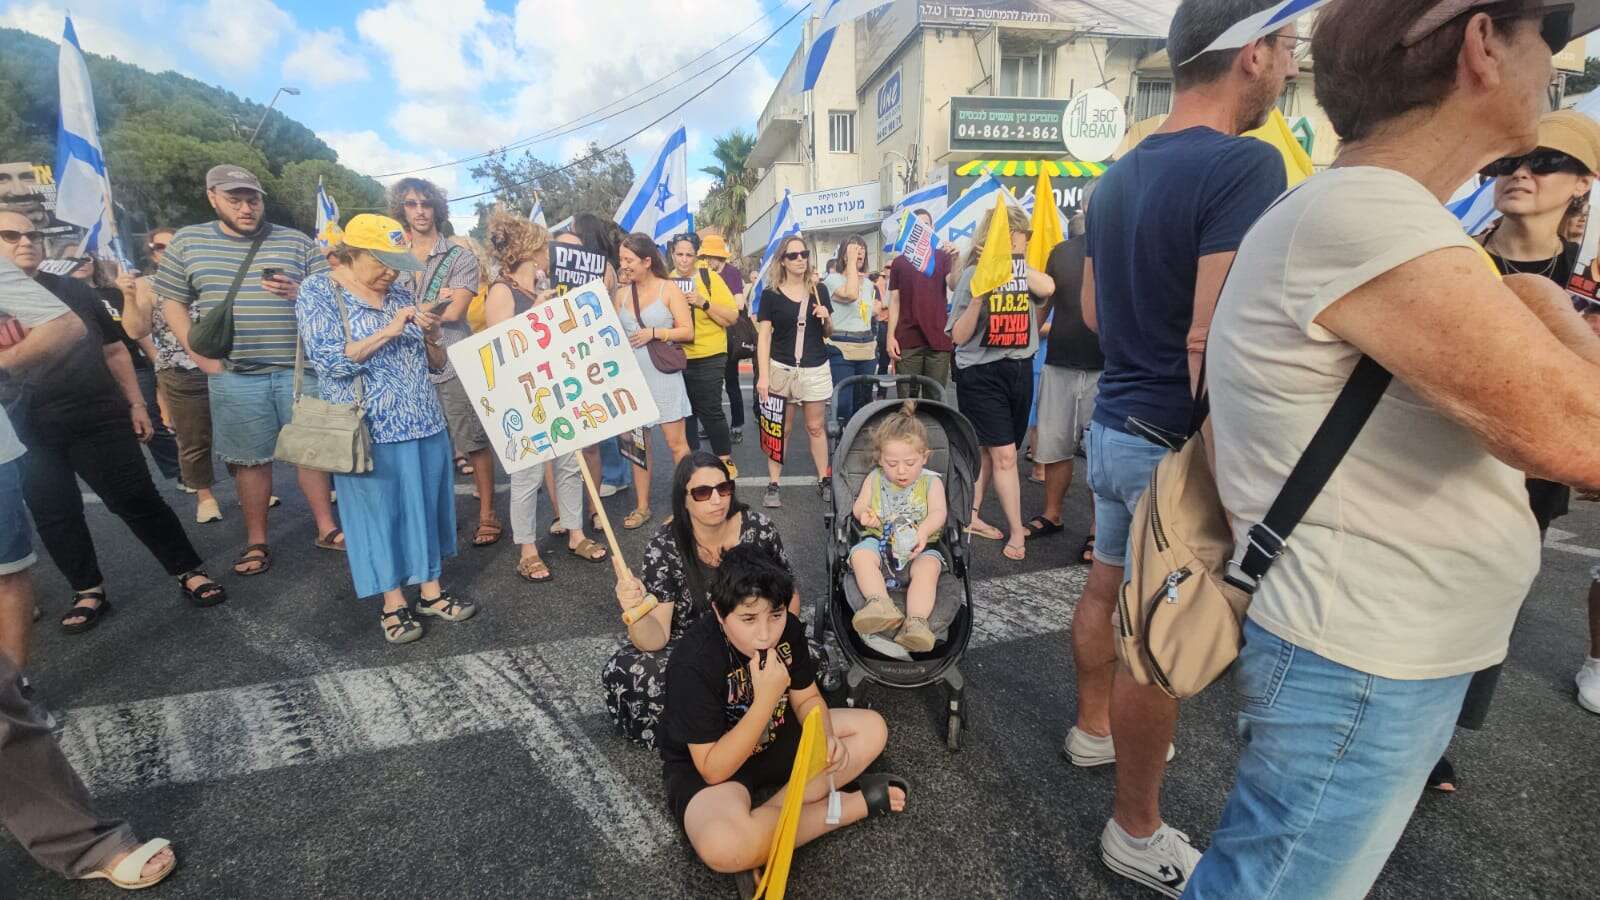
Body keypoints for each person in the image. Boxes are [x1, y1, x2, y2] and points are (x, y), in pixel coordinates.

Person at [1186, 2, 1600, 896]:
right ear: (1483, 45)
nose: (1555, 67)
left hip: (1369, 649)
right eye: (1547, 41)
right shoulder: (1371, 216)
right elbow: (1582, 433)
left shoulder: (1369, 211)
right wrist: (1550, 311)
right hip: (1363, 659)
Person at [1075, 1, 1297, 893]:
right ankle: (1136, 830)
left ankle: (1091, 731)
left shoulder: (1116, 177)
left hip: (1112, 423)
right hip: (1176, 440)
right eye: (1285, 51)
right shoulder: (1246, 163)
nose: (1287, 70)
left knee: (1105, 586)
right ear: (1250, 56)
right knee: (1157, 643)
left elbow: (1092, 313)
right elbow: (1214, 337)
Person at [1430, 109, 1600, 789]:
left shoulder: (1588, 278)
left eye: (1545, 162)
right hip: (1438, 458)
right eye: (1507, 162)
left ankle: (1435, 733)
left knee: (1489, 608)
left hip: (1534, 475)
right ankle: (1412, 742)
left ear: (1583, 181)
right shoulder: (1451, 250)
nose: (1520, 174)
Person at [0, 211, 225, 632]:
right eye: (10, 235)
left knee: (137, 498)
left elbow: (115, 351)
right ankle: (88, 590)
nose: (26, 242)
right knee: (55, 513)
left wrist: (138, 405)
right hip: (21, 428)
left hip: (95, 415)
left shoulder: (73, 291)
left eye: (32, 234)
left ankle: (189, 570)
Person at [658, 543, 907, 881]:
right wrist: (765, 699)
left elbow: (807, 698)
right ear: (719, 613)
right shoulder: (693, 662)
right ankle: (848, 808)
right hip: (716, 763)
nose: (765, 633)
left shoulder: (787, 629)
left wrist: (825, 735)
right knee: (723, 845)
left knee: (872, 728)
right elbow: (713, 769)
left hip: (775, 739)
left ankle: (769, 824)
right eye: (748, 618)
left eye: (774, 615)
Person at [154, 164, 343, 578]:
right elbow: (171, 301)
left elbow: (331, 297)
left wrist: (300, 291)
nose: (246, 207)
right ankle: (257, 539)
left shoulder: (296, 242)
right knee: (250, 461)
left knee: (311, 454)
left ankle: (326, 528)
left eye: (252, 199)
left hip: (300, 369)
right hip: (236, 373)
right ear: (212, 197)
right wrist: (200, 356)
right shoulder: (189, 242)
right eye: (235, 198)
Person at [296, 214, 473, 645]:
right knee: (378, 516)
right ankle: (393, 602)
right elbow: (330, 362)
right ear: (352, 254)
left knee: (427, 508)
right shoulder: (319, 290)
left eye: (397, 263)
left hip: (423, 420)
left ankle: (430, 590)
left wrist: (432, 336)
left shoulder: (399, 291)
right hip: (369, 426)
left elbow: (436, 366)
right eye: (383, 263)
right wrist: (390, 330)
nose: (392, 273)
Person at [604, 453, 795, 746]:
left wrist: (771, 641)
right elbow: (656, 639)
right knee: (627, 669)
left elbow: (787, 596)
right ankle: (736, 723)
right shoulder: (665, 545)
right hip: (693, 648)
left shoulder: (759, 529)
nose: (716, 500)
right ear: (684, 499)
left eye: (724, 488)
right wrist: (635, 610)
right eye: (703, 492)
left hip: (755, 638)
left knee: (807, 654)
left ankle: (719, 724)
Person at [483, 212, 608, 581]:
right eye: (545, 247)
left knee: (571, 464)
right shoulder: (502, 291)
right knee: (528, 476)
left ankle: (575, 533)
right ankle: (528, 549)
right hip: (522, 398)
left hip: (557, 390)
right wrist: (534, 315)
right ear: (530, 250)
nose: (550, 254)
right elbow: (498, 349)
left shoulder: (542, 285)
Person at [392, 179, 499, 549]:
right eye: (411, 204)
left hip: (452, 359)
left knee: (472, 438)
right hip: (404, 362)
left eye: (425, 203)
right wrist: (431, 302)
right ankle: (436, 517)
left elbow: (454, 312)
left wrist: (415, 310)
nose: (419, 211)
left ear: (437, 208)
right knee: (423, 442)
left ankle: (487, 512)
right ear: (401, 209)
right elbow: (380, 307)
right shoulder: (390, 256)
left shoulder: (460, 257)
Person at [947, 205, 1053, 563]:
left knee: (990, 450)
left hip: (1019, 368)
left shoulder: (1022, 273)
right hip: (980, 371)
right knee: (1005, 454)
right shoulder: (972, 275)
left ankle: (971, 514)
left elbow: (1049, 286)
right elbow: (959, 336)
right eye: (1017, 238)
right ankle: (1017, 530)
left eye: (1024, 241)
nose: (1022, 245)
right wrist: (979, 294)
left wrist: (1011, 263)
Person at [121, 227, 222, 525]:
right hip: (180, 371)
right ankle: (205, 496)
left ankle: (249, 487)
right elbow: (136, 330)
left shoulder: (206, 280)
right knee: (193, 438)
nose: (168, 251)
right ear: (152, 253)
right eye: (160, 247)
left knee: (235, 431)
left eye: (175, 245)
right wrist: (127, 296)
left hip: (221, 366)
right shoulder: (148, 284)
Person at [1027, 217, 1104, 564]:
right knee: (1056, 445)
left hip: (1106, 367)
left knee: (1100, 456)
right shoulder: (1060, 252)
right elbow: (1045, 304)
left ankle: (1098, 530)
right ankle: (1053, 514)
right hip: (1059, 363)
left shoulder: (1119, 244)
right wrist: (1026, 338)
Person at [71, 258, 182, 486]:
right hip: (92, 374)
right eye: (72, 259)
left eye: (85, 258)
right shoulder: (61, 300)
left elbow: (138, 332)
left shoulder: (113, 294)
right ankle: (134, 481)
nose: (80, 263)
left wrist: (158, 362)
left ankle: (180, 471)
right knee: (116, 428)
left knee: (151, 420)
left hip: (134, 366)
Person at [847, 407, 947, 652]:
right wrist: (865, 515)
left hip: (921, 546)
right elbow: (859, 506)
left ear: (925, 457)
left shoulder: (931, 482)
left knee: (928, 569)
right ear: (881, 459)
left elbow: (938, 513)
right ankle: (880, 604)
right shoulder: (876, 477)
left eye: (910, 463)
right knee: (860, 555)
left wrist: (923, 531)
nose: (901, 470)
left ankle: (916, 623)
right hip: (879, 542)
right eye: (892, 463)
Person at [616, 232, 694, 530]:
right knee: (639, 446)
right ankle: (642, 507)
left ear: (647, 261)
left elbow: (687, 331)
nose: (624, 265)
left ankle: (686, 507)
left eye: (629, 260)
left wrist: (655, 333)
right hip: (633, 379)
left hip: (663, 377)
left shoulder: (668, 289)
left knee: (677, 445)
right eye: (621, 259)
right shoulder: (621, 294)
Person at [756, 235, 834, 509]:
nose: (800, 259)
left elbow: (828, 332)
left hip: (815, 367)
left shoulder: (818, 290)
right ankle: (774, 483)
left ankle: (824, 478)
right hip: (782, 368)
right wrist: (763, 376)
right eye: (793, 255)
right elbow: (764, 337)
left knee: (815, 427)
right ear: (782, 261)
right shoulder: (771, 295)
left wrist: (826, 317)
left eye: (803, 254)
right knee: (781, 429)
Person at [671, 234, 740, 474]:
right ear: (672, 255)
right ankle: (694, 465)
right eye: (679, 254)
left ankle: (725, 461)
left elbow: (732, 317)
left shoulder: (708, 278)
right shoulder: (666, 281)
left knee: (711, 409)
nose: (684, 260)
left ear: (696, 256)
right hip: (678, 355)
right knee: (686, 412)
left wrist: (703, 302)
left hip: (710, 354)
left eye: (689, 254)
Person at [887, 209, 957, 399]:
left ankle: (931, 431)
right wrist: (890, 337)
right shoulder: (899, 263)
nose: (923, 230)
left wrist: (957, 259)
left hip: (938, 340)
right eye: (918, 226)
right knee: (907, 402)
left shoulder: (944, 257)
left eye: (926, 225)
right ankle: (908, 430)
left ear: (933, 228)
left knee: (935, 401)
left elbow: (954, 284)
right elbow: (894, 301)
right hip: (907, 340)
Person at [823, 237, 880, 427]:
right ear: (844, 254)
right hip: (842, 346)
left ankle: (859, 442)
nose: (860, 252)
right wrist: (852, 266)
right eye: (854, 249)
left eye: (862, 248)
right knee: (844, 402)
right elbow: (850, 294)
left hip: (866, 345)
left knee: (864, 402)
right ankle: (840, 439)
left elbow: (873, 310)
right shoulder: (832, 279)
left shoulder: (870, 284)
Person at [698, 234, 748, 444]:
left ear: (720, 257)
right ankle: (712, 425)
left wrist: (713, 301)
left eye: (711, 256)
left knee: (731, 383)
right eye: (706, 256)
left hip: (728, 335)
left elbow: (738, 305)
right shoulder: (701, 273)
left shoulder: (732, 273)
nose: (708, 260)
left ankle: (737, 425)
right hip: (708, 336)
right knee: (710, 387)